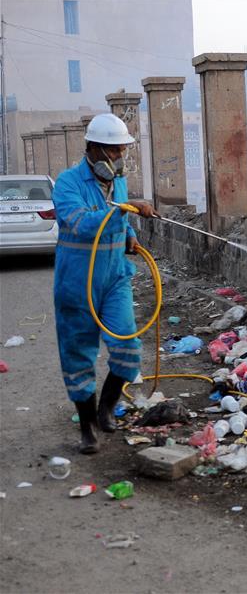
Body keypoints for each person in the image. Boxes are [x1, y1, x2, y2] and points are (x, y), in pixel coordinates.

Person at [52, 113, 156, 454]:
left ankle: (106, 408)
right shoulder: (68, 183)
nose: (119, 158)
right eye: (113, 152)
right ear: (94, 149)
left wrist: (129, 236)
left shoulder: (119, 182)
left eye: (122, 150)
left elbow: (120, 221)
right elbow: (81, 223)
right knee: (78, 355)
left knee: (128, 350)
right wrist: (123, 212)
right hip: (77, 284)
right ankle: (87, 428)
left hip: (114, 280)